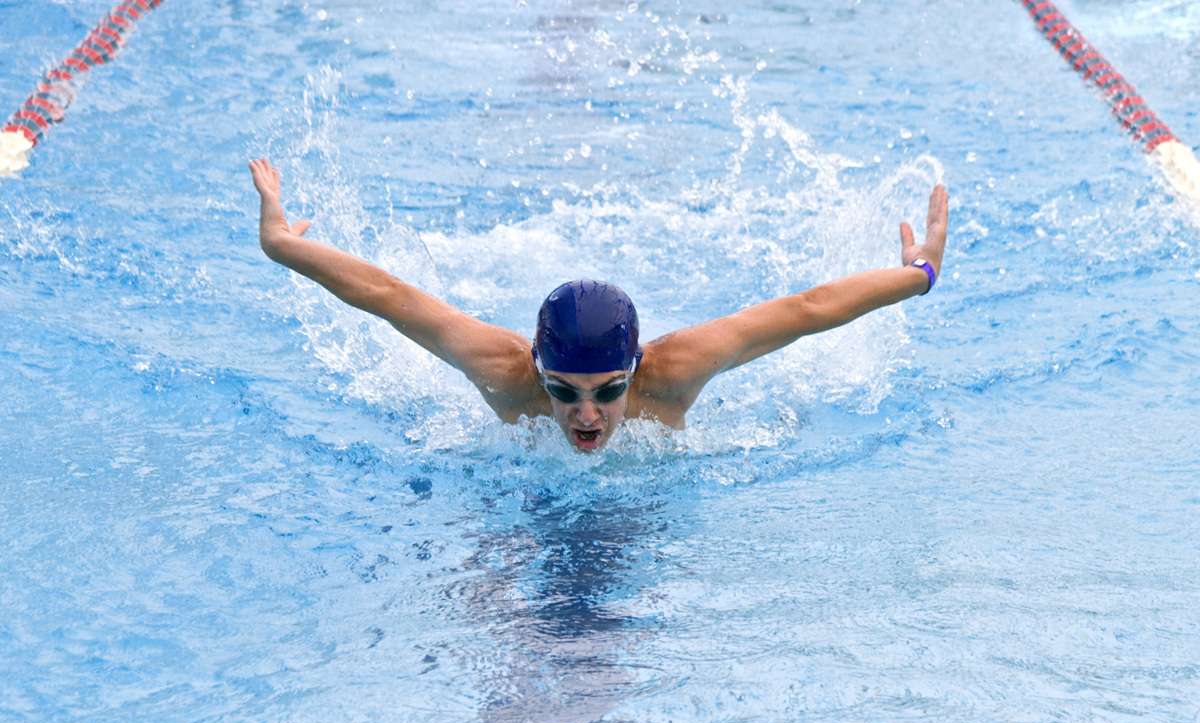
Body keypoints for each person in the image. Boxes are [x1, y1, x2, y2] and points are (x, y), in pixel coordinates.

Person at [249, 157, 949, 453]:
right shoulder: (503, 371)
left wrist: (918, 274)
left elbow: (806, 309)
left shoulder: (676, 371)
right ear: (536, 365)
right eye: (565, 392)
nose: (586, 415)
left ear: (636, 366)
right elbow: (391, 298)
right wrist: (283, 245)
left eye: (608, 392)